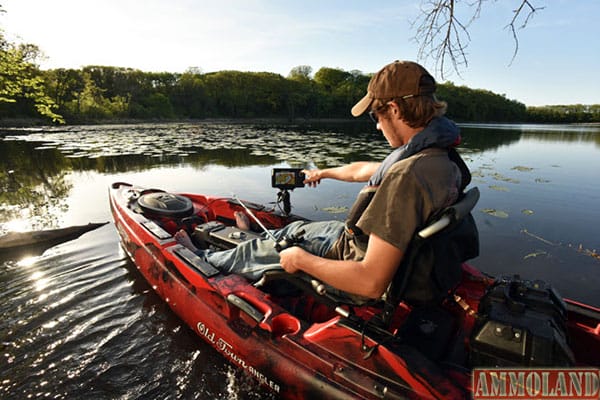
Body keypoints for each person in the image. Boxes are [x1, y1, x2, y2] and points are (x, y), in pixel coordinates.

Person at [176, 60, 465, 303]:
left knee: (274, 246)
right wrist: (323, 173)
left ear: (395, 109)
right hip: (359, 244)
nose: (377, 125)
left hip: (353, 264)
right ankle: (256, 236)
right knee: (293, 229)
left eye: (376, 115)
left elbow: (371, 282)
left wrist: (301, 260)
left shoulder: (408, 177)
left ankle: (202, 257)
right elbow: (364, 170)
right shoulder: (437, 158)